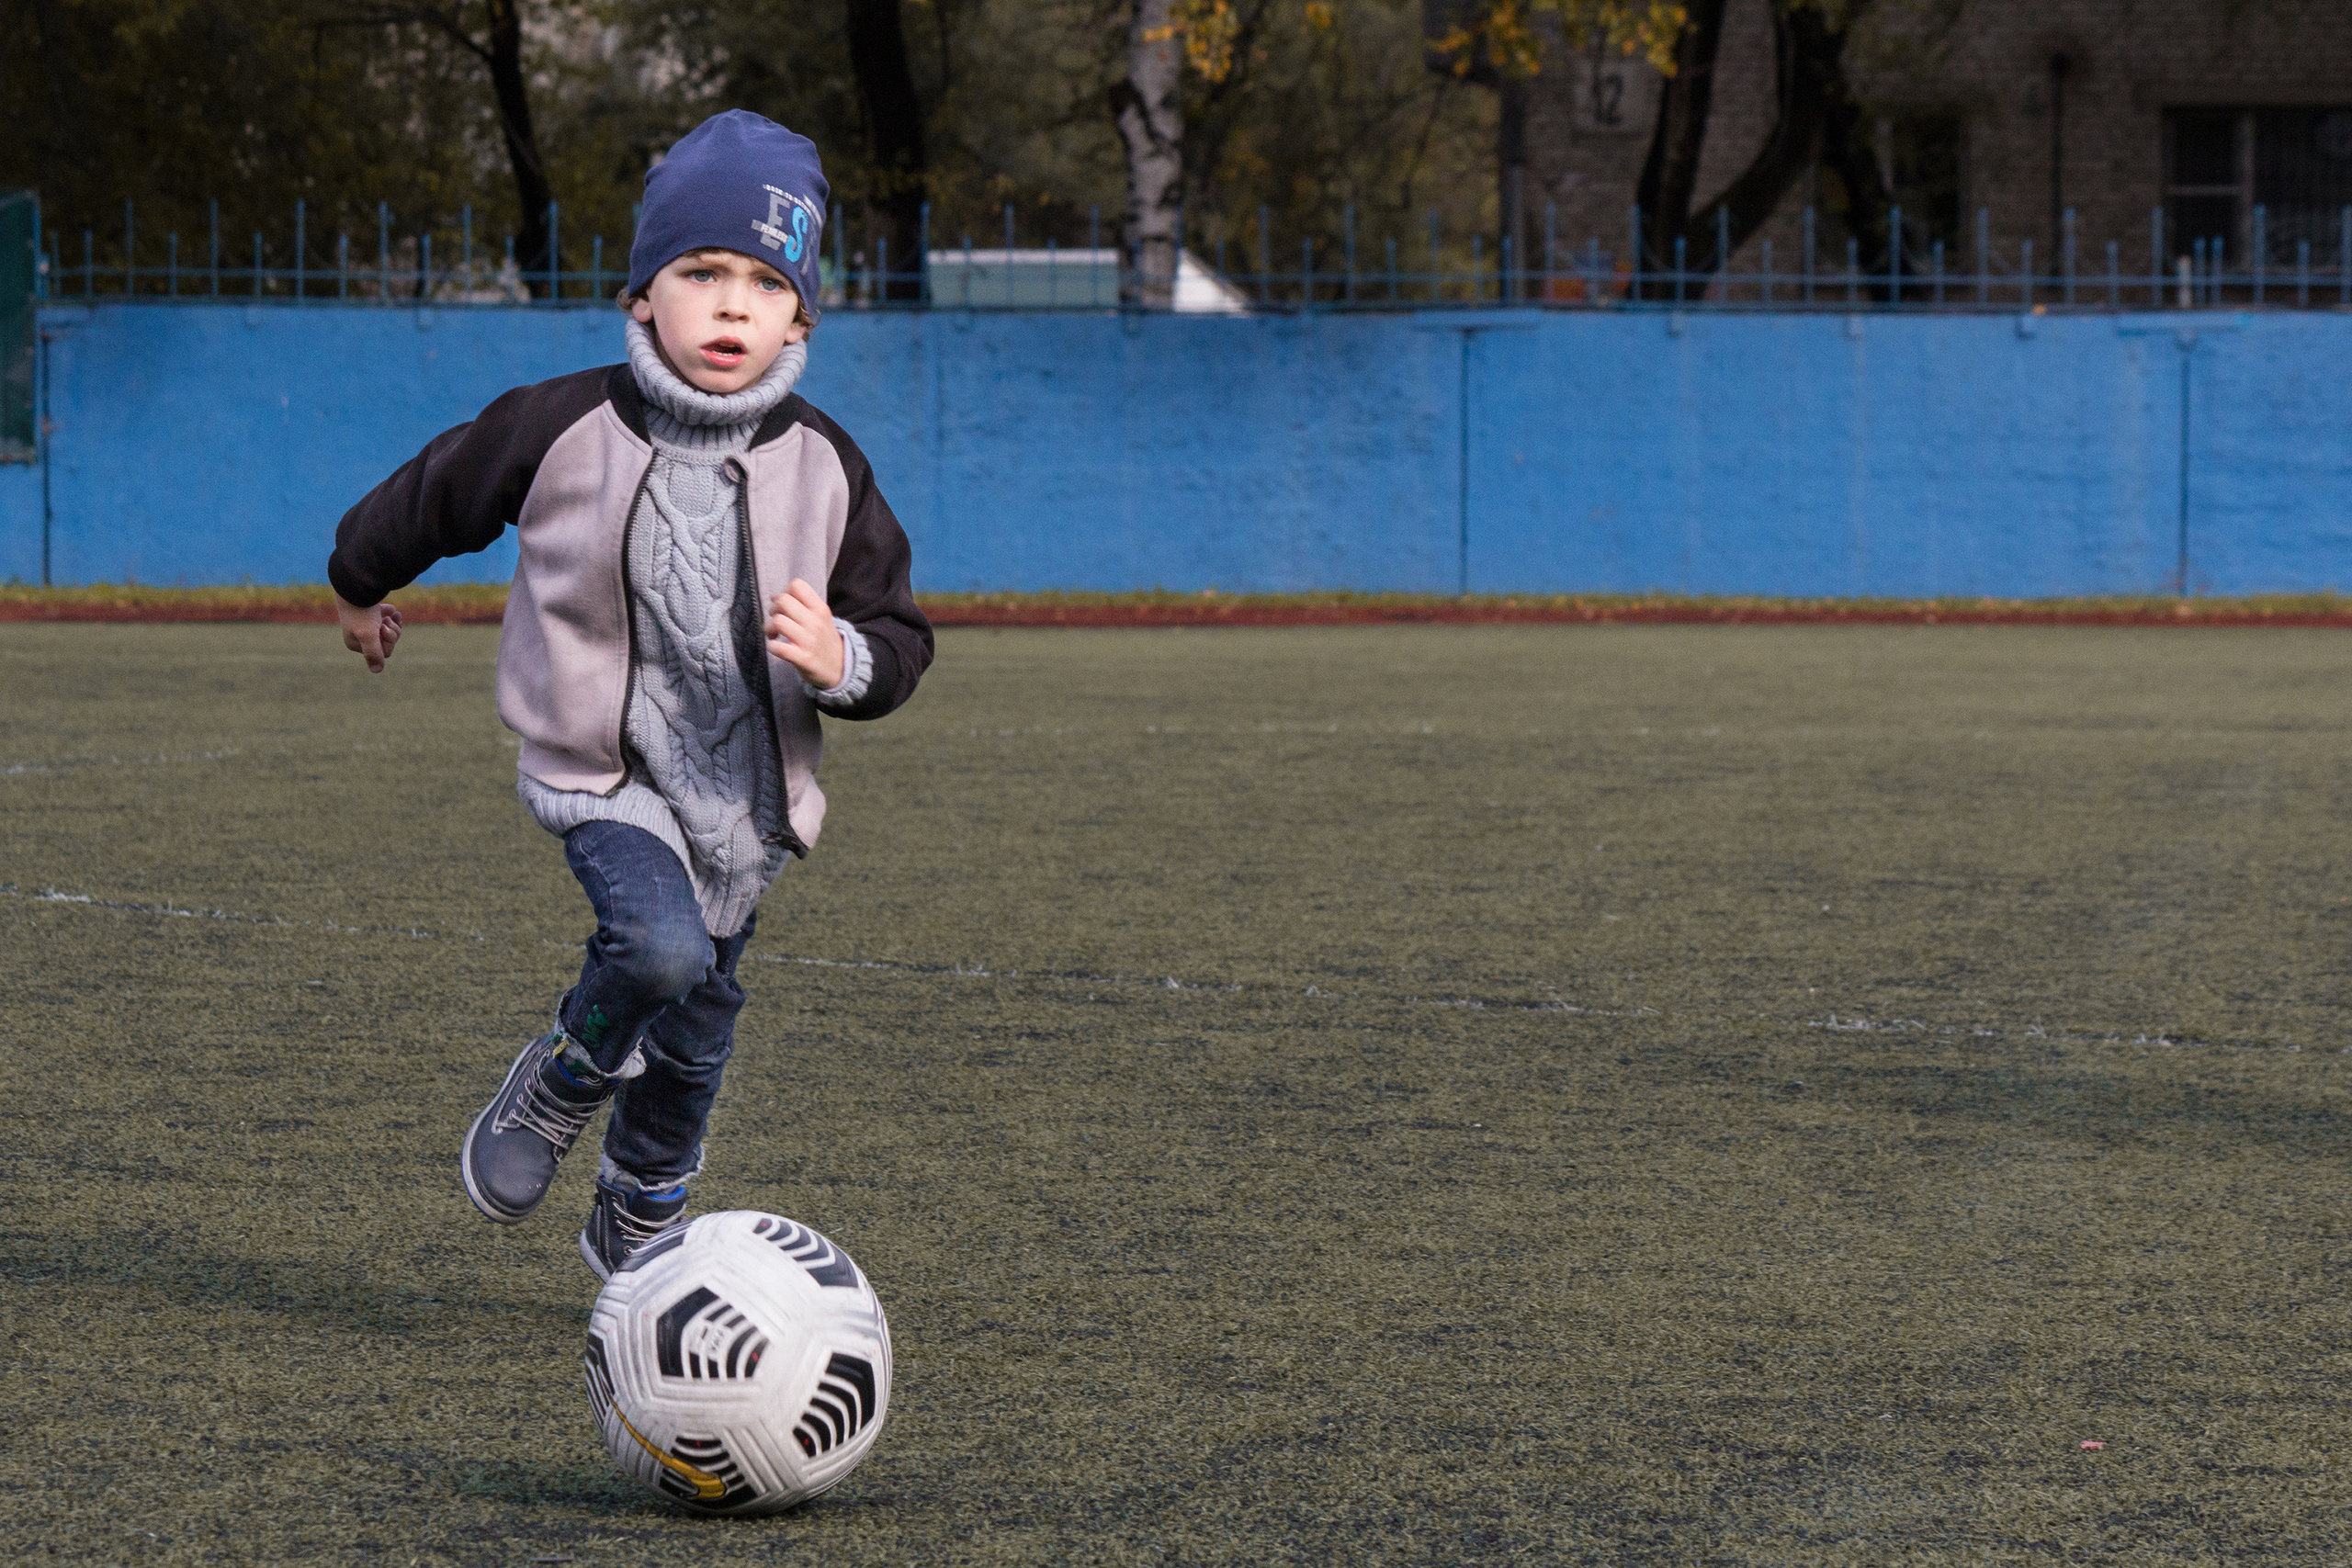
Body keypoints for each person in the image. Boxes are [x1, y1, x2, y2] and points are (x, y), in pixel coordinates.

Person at [326, 110, 933, 1278]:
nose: (731, 304)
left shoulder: (828, 464)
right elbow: (436, 493)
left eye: (766, 283)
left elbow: (897, 635)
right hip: (602, 768)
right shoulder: (563, 426)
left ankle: (641, 1201)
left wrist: (841, 662)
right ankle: (563, 1075)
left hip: (740, 801)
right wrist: (360, 578)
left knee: (702, 1027)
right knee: (657, 952)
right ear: (644, 294)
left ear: (801, 314)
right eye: (701, 271)